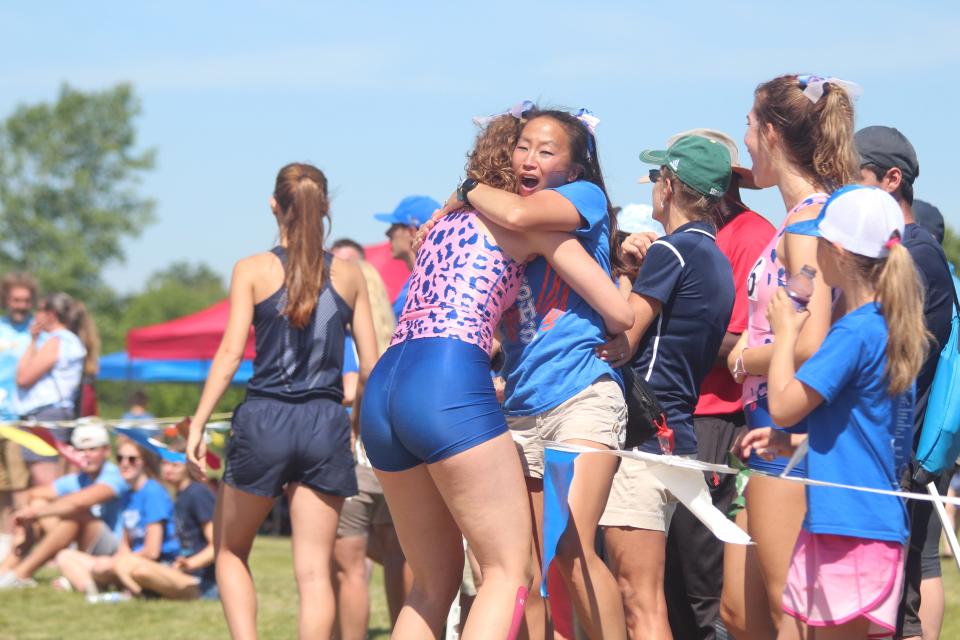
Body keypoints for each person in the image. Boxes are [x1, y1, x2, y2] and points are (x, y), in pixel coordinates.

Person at [363, 107, 634, 639]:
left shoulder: (441, 224)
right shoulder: (532, 228)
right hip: (446, 378)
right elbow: (619, 313)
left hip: (386, 384)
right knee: (508, 573)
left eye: (544, 150)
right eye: (525, 147)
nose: (532, 160)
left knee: (429, 586)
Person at [185, 162, 379, 640]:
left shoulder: (252, 269)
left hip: (265, 419)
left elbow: (231, 354)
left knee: (230, 551)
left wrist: (198, 424)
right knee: (314, 572)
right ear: (326, 207)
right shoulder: (352, 275)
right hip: (325, 422)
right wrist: (354, 424)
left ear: (275, 205)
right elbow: (372, 366)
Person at [741, 185, 927, 639]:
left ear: (837, 253)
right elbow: (867, 431)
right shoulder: (888, 327)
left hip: (851, 528)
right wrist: (800, 444)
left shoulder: (854, 332)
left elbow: (783, 406)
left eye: (819, 241)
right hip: (860, 524)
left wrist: (784, 333)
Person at [721, 73, 860, 640]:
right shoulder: (801, 216)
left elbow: (811, 341)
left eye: (750, 126)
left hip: (788, 427)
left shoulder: (806, 226)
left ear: (772, 133)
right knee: (739, 610)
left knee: (787, 612)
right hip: (768, 426)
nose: (746, 138)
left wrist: (744, 361)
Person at [596, 135, 735, 639]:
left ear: (671, 186)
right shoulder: (715, 256)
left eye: (658, 178)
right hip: (677, 432)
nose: (655, 187)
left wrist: (622, 276)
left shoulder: (673, 251)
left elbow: (623, 341)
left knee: (638, 598)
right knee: (650, 596)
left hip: (644, 437)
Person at [641, 130, 775, 640]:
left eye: (662, 178)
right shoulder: (692, 240)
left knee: (702, 581)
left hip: (714, 413)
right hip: (675, 410)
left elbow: (740, 341)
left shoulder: (748, 234)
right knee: (668, 574)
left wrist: (665, 315)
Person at [854, 128, 955, 640]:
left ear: (893, 180)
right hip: (882, 460)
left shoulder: (915, 255)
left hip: (899, 463)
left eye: (857, 180)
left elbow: (882, 360)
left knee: (896, 613)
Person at [330, 239, 410, 637]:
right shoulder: (399, 329)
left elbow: (354, 381)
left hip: (355, 454)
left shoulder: (346, 339)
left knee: (347, 564)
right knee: (401, 556)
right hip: (395, 452)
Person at [0, 424, 129, 588]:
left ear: (106, 451)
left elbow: (80, 502)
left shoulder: (114, 475)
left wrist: (34, 513)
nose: (86, 455)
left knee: (75, 514)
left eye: (92, 449)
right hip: (84, 544)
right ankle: (5, 570)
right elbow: (33, 495)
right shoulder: (79, 478)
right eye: (81, 450)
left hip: (116, 548)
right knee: (38, 505)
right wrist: (24, 522)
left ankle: (21, 574)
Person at [55, 437, 179, 596]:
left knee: (101, 566)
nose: (125, 463)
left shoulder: (152, 492)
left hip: (155, 565)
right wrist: (117, 560)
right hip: (130, 561)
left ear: (145, 462)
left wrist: (116, 562)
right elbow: (125, 543)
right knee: (65, 556)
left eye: (132, 459)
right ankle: (93, 593)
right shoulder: (127, 494)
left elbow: (152, 551)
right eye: (120, 458)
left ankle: (101, 585)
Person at [110, 439, 217, 600]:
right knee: (129, 566)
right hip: (181, 571)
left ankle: (137, 594)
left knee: (138, 569)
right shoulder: (181, 495)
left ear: (189, 466)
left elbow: (218, 545)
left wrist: (191, 564)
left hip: (203, 581)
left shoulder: (198, 493)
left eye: (175, 465)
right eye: (165, 463)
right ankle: (139, 593)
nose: (167, 469)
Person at [15, 292, 88, 487]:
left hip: (45, 415)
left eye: (39, 310)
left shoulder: (55, 341)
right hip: (59, 414)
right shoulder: (73, 340)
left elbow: (23, 378)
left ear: (52, 313)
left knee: (46, 486)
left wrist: (32, 342)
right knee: (55, 482)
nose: (35, 315)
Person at [0, 272, 36, 555]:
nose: (20, 305)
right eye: (15, 299)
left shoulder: (36, 331)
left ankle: (23, 547)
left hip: (20, 419)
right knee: (2, 487)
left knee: (21, 486)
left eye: (25, 300)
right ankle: (5, 542)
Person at [374, 195, 440, 317]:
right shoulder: (433, 282)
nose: (387, 233)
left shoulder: (420, 289)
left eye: (394, 226)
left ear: (412, 232)